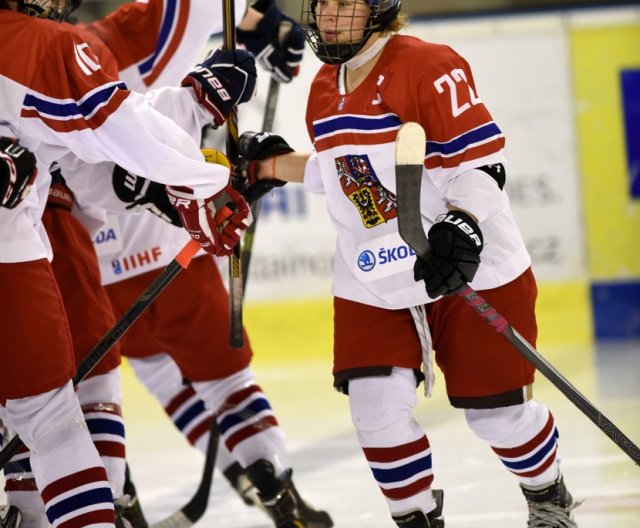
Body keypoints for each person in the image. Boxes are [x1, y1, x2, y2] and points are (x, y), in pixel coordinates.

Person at [235, 1, 582, 527]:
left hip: (466, 265)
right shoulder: (325, 86)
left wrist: (462, 226)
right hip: (372, 272)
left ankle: (547, 492)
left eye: (344, 2)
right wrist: (271, 165)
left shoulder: (427, 65)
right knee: (374, 413)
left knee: (498, 419)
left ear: (379, 7)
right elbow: (344, 176)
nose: (327, 14)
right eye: (321, 3)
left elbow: (480, 164)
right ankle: (417, 519)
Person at [0, 0, 255, 524]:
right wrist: (199, 189)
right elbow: (119, 127)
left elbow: (86, 156)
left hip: (30, 249)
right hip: (15, 254)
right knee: (51, 422)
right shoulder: (37, 43)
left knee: (48, 418)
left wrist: (193, 104)